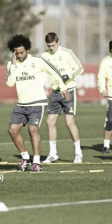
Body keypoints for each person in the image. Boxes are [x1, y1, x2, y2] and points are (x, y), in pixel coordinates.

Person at [6, 34, 69, 171]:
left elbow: (55, 71)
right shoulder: (12, 65)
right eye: (17, 53)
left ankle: (36, 162)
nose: (20, 55)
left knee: (32, 129)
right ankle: (25, 158)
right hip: (21, 104)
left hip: (37, 103)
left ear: (27, 49)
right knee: (12, 130)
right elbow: (10, 83)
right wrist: (14, 66)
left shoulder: (38, 61)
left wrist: (63, 87)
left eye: (22, 52)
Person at [40, 32, 84, 163]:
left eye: (53, 45)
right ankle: (53, 153)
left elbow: (80, 68)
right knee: (50, 122)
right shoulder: (44, 56)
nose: (51, 48)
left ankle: (78, 153)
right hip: (55, 92)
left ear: (58, 42)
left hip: (69, 91)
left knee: (69, 122)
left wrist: (67, 76)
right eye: (49, 46)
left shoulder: (67, 53)